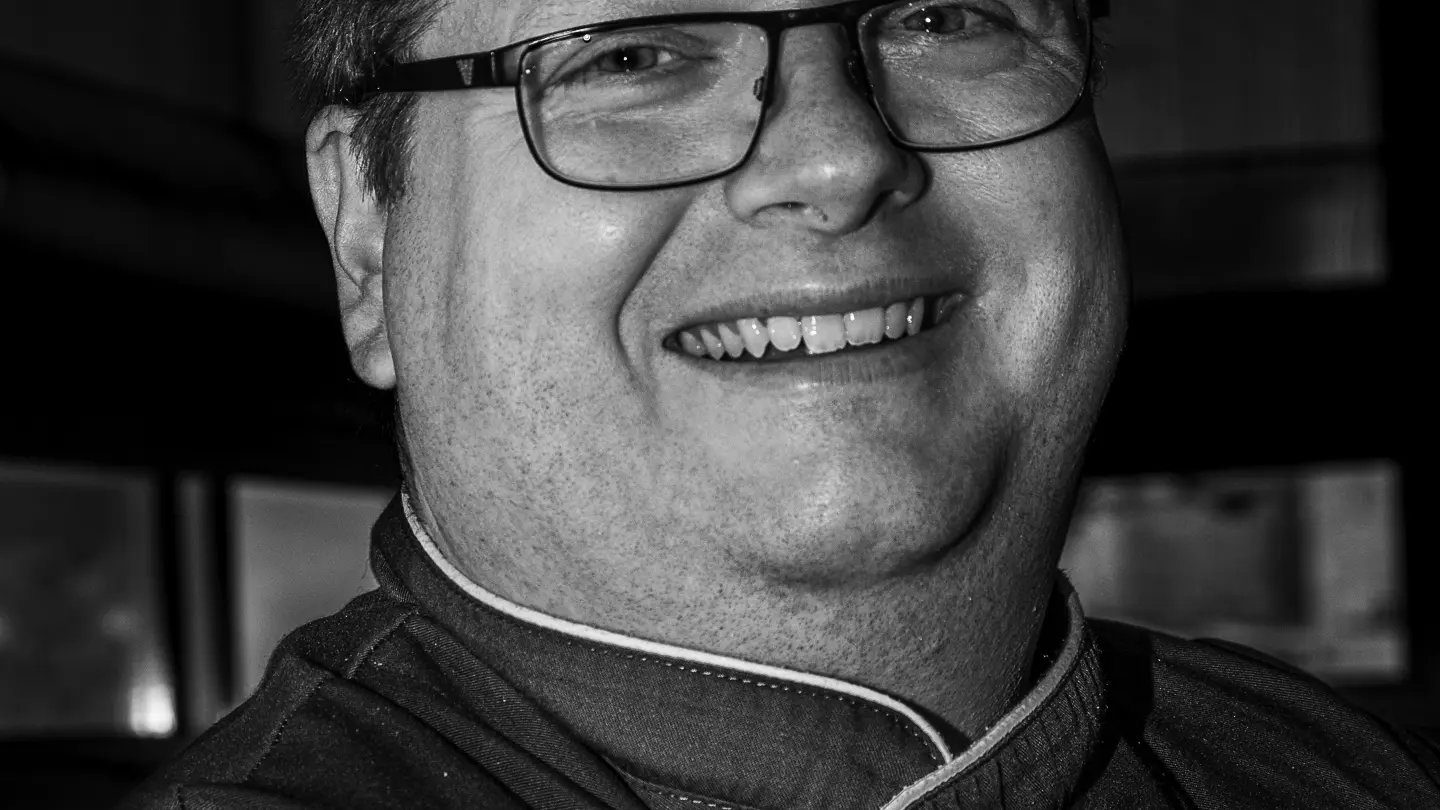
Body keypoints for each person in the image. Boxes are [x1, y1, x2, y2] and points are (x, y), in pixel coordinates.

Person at [124, 0, 1439, 807]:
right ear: (367, 236)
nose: (837, 157)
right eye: (634, 53)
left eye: (947, 16)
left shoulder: (1337, 772)